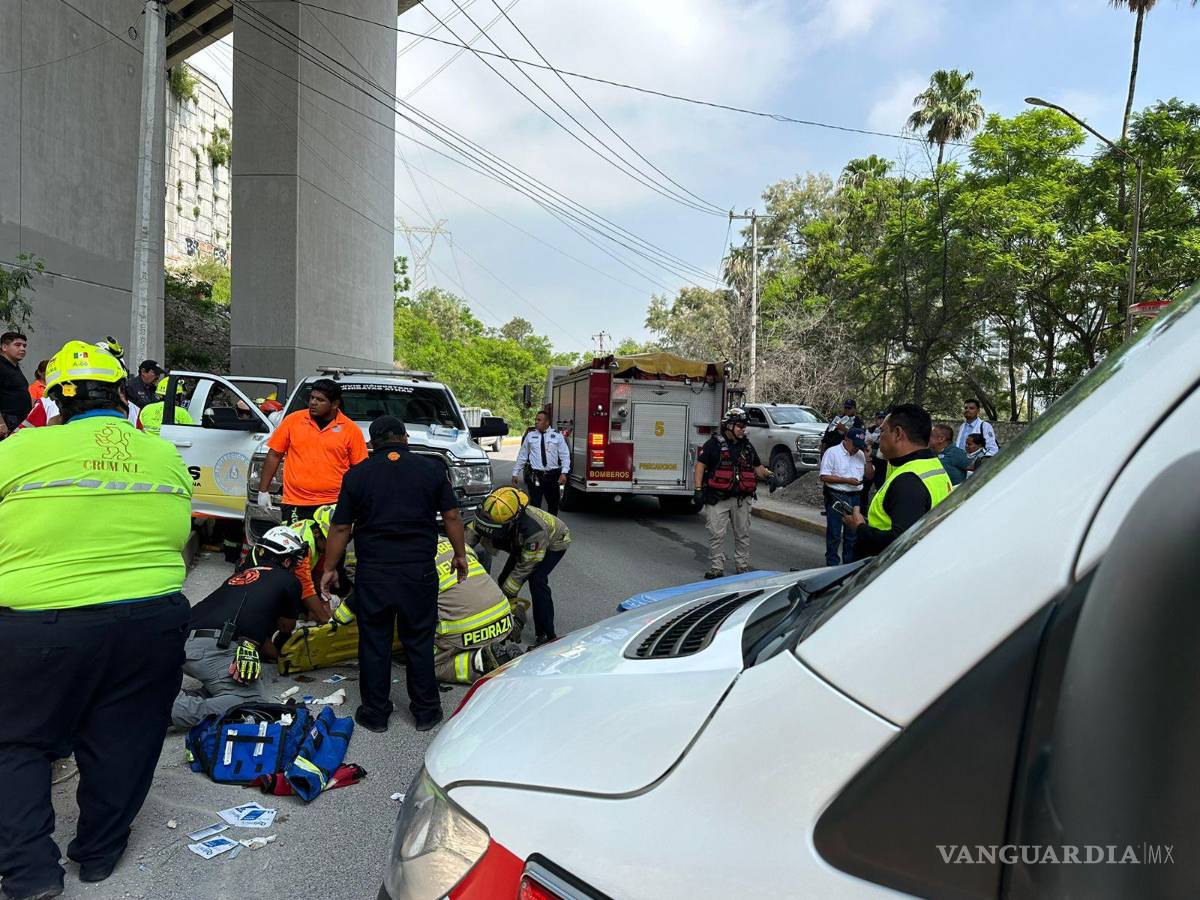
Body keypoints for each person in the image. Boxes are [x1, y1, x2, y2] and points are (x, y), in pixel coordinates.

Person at [0, 340, 192, 894]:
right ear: (121, 394)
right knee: (126, 736)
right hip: (151, 619)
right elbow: (177, 531)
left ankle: (32, 871)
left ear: (57, 399)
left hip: (40, 623)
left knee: (17, 742)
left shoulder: (20, 450)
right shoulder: (162, 454)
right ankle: (100, 852)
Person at [319, 416, 467, 734]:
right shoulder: (431, 469)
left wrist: (330, 568)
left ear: (372, 444)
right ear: (404, 438)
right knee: (419, 639)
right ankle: (426, 712)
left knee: (375, 642)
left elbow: (341, 526)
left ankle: (375, 714)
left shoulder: (357, 475)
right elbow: (452, 515)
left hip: (375, 574)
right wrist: (460, 554)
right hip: (419, 572)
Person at [171, 527, 318, 727]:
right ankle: (165, 709)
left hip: (181, 642)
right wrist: (284, 657)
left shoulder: (239, 577)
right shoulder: (289, 581)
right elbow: (286, 627)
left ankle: (180, 695)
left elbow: (256, 631)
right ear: (286, 561)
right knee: (251, 702)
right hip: (213, 647)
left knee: (228, 686)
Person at [843, 403, 953, 558]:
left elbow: (901, 543)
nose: (879, 438)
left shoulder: (909, 481)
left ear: (898, 434)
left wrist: (860, 528)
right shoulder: (931, 465)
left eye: (882, 431)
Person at [468, 486, 571, 646]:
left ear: (512, 522)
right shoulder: (489, 511)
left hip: (552, 542)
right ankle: (510, 614)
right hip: (519, 542)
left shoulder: (533, 531)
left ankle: (547, 635)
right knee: (504, 579)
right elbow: (469, 538)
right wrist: (458, 558)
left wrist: (505, 596)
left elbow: (525, 566)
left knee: (537, 581)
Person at [257, 378, 367, 523]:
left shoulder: (350, 430)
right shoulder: (293, 421)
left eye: (320, 400)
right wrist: (263, 490)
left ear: (334, 404)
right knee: (296, 545)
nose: (313, 403)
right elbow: (274, 455)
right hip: (295, 502)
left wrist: (358, 500)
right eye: (312, 398)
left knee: (329, 546)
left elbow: (360, 469)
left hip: (334, 503)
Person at [693, 407, 778, 579]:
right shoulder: (713, 444)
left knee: (743, 534)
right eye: (740, 426)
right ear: (729, 426)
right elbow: (700, 466)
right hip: (718, 499)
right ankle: (717, 568)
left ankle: (742, 567)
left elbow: (757, 467)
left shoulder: (747, 446)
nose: (743, 429)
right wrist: (698, 489)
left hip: (741, 499)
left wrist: (769, 476)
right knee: (716, 534)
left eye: (744, 426)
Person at [819, 427, 868, 566]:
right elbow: (824, 476)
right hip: (837, 496)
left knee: (852, 535)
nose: (856, 449)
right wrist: (846, 480)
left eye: (860, 446)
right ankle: (832, 566)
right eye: (855, 445)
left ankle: (848, 566)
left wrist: (869, 458)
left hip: (855, 497)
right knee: (834, 533)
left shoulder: (861, 454)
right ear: (846, 440)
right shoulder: (832, 452)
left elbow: (869, 475)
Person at [513, 409, 570, 514]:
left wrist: (564, 473)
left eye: (539, 420)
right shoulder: (530, 436)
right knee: (535, 505)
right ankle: (538, 528)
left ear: (547, 422)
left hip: (552, 475)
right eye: (536, 419)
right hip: (536, 475)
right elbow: (523, 455)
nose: (536, 422)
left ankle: (551, 528)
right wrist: (515, 472)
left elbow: (565, 455)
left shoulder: (557, 436)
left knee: (553, 504)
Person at [0, 331, 31, 439]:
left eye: (24, 346)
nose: (22, 349)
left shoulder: (14, 367)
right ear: (4, 347)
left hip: (19, 421)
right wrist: (1, 423)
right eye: (17, 345)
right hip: (6, 421)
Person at [864, 410, 888, 503]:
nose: (881, 420)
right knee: (865, 487)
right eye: (879, 418)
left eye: (883, 418)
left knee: (880, 486)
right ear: (875, 419)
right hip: (870, 462)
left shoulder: (888, 431)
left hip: (882, 464)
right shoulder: (870, 430)